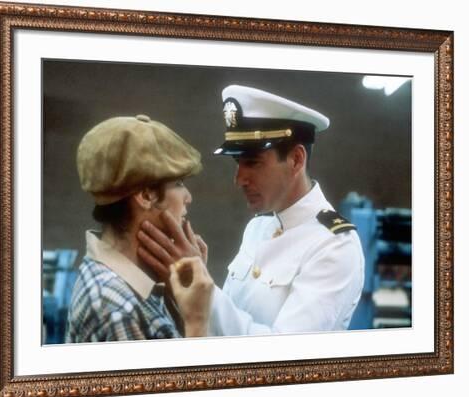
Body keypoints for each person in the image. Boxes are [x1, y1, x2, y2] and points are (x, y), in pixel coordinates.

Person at [138, 84, 365, 336]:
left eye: (253, 163)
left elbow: (284, 358)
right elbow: (229, 326)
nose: (239, 179)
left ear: (296, 160)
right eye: (238, 163)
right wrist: (198, 285)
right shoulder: (257, 228)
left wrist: (205, 290)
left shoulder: (334, 246)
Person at [65, 114, 213, 343]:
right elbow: (180, 380)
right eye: (179, 183)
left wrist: (179, 297)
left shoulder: (124, 280)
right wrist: (197, 320)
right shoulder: (117, 309)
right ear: (146, 195)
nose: (188, 197)